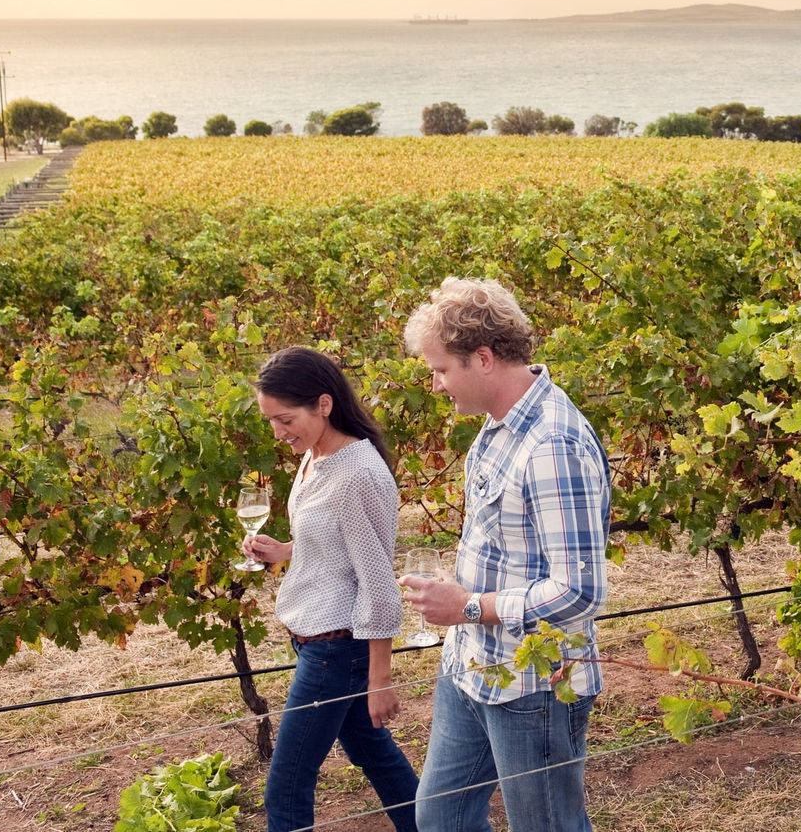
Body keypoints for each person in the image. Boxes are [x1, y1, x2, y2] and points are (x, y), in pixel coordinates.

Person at [398, 278, 610, 832]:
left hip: (535, 685)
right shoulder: (498, 428)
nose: (436, 384)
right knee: (441, 819)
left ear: (484, 358)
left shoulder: (552, 446)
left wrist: (469, 605)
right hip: (472, 666)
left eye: (442, 369)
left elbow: (580, 592)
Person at [244, 346, 419, 832]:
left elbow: (377, 582)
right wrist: (284, 550)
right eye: (270, 421)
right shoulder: (316, 456)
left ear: (323, 404)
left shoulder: (356, 473)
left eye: (285, 419)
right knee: (375, 754)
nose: (278, 433)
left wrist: (380, 678)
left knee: (286, 784)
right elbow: (338, 545)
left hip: (336, 649)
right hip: (317, 641)